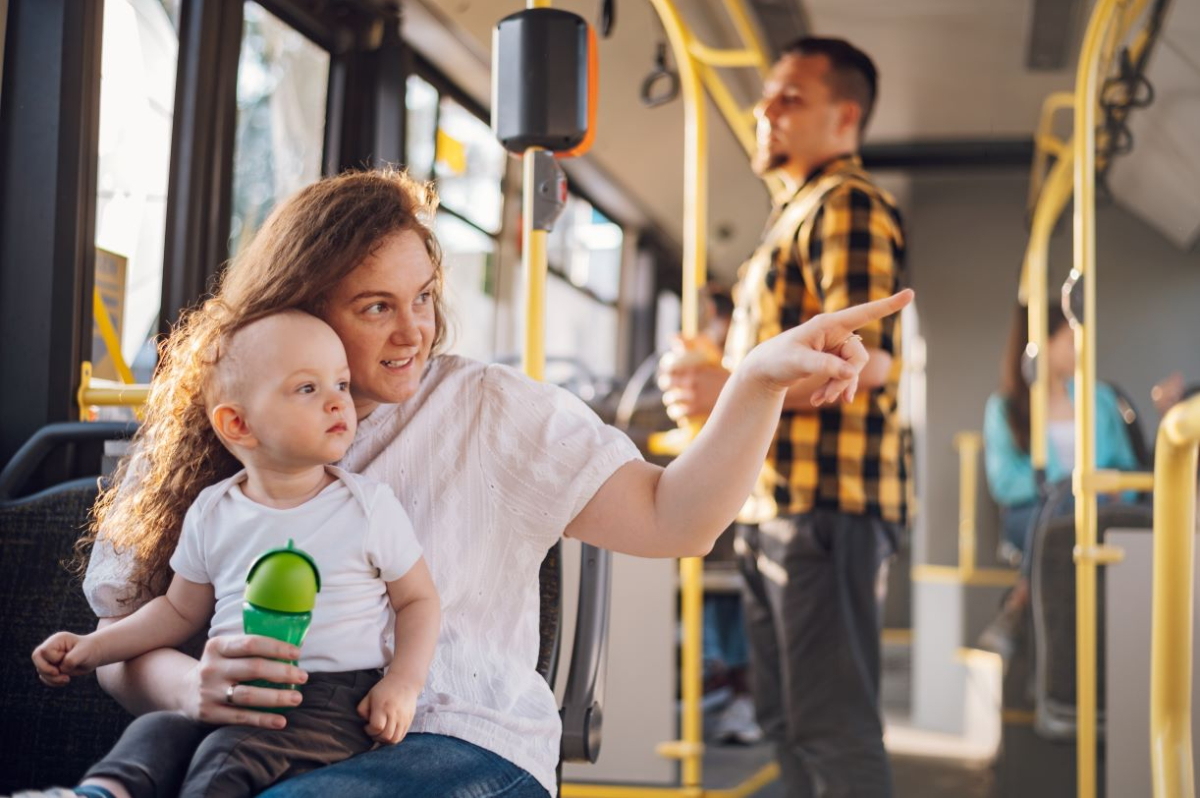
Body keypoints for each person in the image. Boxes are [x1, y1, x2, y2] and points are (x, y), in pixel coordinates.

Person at [63, 169, 909, 798]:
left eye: (424, 297)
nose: (414, 332)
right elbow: (119, 642)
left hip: (458, 737)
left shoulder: (487, 408)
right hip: (264, 739)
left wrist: (754, 383)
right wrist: (192, 688)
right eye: (376, 307)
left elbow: (674, 519)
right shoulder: (221, 427)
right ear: (301, 310)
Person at [28, 311, 440, 798]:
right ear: (238, 423)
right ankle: (98, 793)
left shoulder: (367, 508)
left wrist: (403, 683)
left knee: (227, 760)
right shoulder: (213, 511)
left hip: (330, 702)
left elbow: (418, 600)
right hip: (232, 690)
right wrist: (92, 648)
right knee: (156, 731)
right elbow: (177, 612)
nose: (338, 402)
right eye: (307, 388)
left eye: (342, 384)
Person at [662, 37, 908, 797]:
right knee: (787, 724)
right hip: (778, 503)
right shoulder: (794, 215)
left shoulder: (846, 204)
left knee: (830, 729)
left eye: (790, 98)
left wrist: (724, 386)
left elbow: (869, 359)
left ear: (845, 117)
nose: (765, 110)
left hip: (825, 505)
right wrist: (716, 376)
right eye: (767, 96)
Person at [978, 302, 1138, 656]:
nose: (1078, 348)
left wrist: (1101, 489)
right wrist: (1066, 485)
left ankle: (1021, 601)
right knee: (1062, 508)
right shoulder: (1005, 408)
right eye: (1069, 340)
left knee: (1072, 510)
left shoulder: (1100, 399)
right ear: (1043, 345)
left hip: (1095, 505)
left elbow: (1126, 467)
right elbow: (1004, 482)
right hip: (1031, 512)